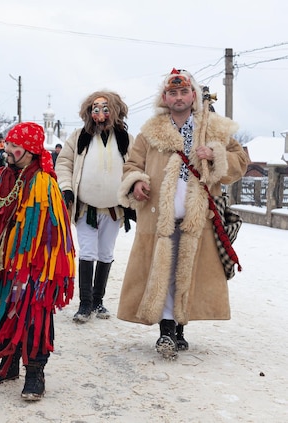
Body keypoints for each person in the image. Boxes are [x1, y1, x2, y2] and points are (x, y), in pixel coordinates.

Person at [116, 69, 248, 359]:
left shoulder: (214, 128)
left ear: (193, 96)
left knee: (184, 271)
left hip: (198, 218)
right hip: (157, 217)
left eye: (183, 92)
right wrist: (136, 181)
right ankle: (165, 329)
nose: (178, 97)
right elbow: (131, 164)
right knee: (161, 268)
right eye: (172, 93)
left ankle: (179, 327)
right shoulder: (150, 131)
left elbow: (241, 161)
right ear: (164, 97)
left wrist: (216, 155)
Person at [0, 122, 75, 401]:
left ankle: (35, 373)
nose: (10, 150)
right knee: (4, 310)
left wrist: (39, 267)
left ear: (30, 151)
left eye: (17, 146)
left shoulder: (44, 184)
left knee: (33, 317)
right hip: (5, 263)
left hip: (34, 267)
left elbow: (53, 232)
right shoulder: (1, 178)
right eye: (9, 144)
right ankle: (8, 363)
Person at [55, 91, 133, 323]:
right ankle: (85, 304)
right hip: (85, 207)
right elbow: (64, 163)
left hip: (114, 208)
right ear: (88, 112)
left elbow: (138, 165)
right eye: (95, 109)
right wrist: (66, 187)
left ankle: (98, 302)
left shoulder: (126, 138)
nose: (100, 113)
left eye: (106, 108)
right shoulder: (79, 136)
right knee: (87, 252)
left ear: (116, 111)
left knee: (106, 253)